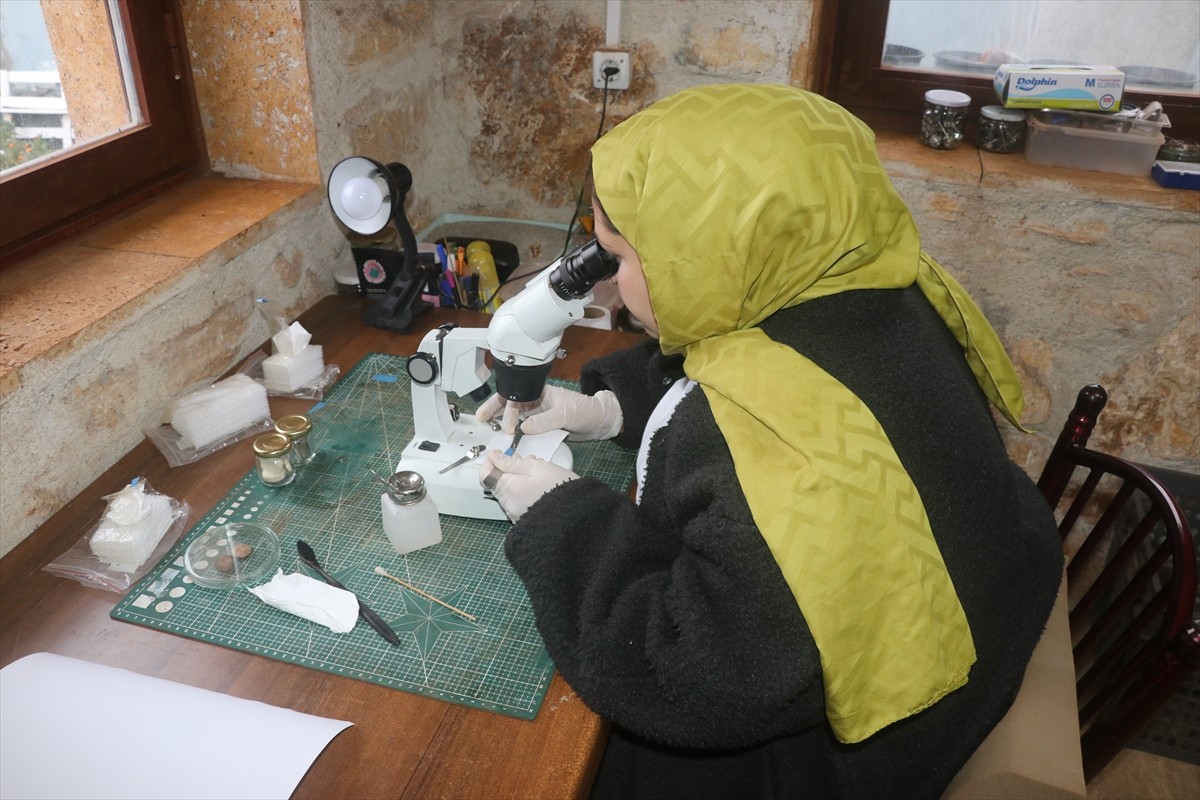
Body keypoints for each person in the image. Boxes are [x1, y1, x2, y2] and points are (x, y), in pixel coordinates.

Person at [476, 83, 1063, 800]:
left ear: (705, 251)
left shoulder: (778, 451)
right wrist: (604, 408)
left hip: (837, 754)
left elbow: (693, 677)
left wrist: (560, 517)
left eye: (620, 260)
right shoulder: (873, 287)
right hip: (976, 612)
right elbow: (726, 353)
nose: (608, 290)